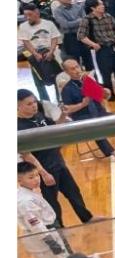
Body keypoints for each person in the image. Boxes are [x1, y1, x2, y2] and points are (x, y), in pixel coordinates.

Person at [18, 89, 93, 224]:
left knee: (74, 192)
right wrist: (44, 173)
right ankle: (58, 229)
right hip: (45, 168)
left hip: (58, 162)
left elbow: (55, 128)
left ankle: (87, 218)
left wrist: (63, 115)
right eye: (29, 104)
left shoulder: (39, 116)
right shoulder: (19, 127)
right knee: (52, 202)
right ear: (18, 106)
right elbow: (27, 155)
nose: (34, 105)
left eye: (34, 102)